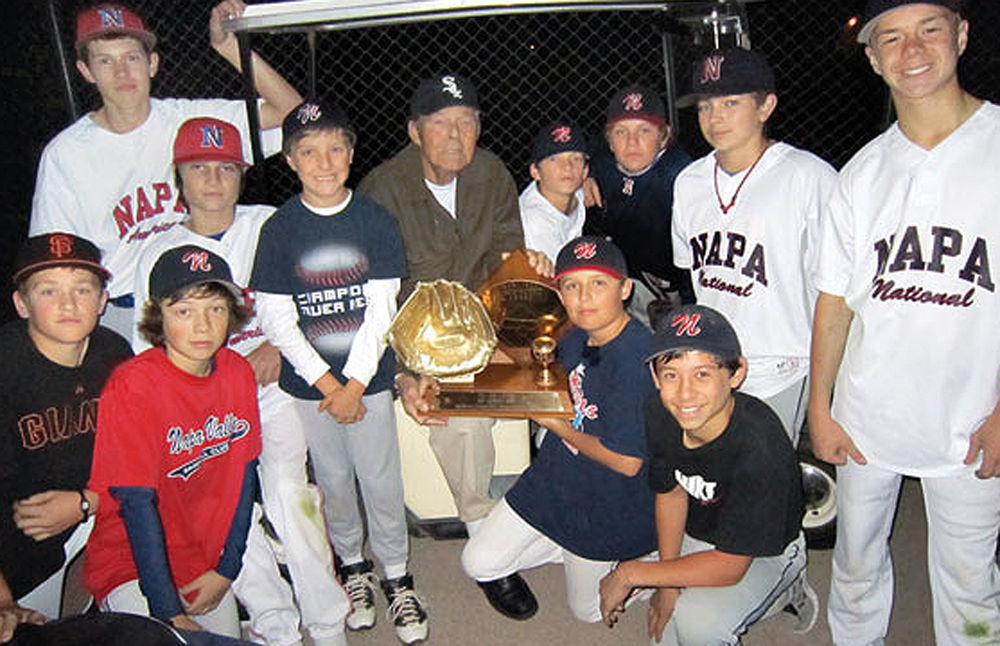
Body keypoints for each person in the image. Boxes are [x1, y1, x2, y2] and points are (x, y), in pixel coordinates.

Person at [809, 1, 1000, 643]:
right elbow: (834, 304)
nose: (911, 50)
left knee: (970, 582)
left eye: (929, 30)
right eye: (890, 37)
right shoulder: (861, 173)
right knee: (857, 566)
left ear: (962, 36)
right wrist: (820, 406)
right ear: (872, 57)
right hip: (869, 417)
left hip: (973, 417)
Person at [131, 117, 348, 646]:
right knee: (224, 509)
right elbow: (148, 348)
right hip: (202, 404)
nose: (212, 180)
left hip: (274, 390)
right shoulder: (155, 253)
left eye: (225, 168)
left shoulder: (275, 223)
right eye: (198, 168)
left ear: (242, 175)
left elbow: (327, 299)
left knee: (286, 491)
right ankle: (276, 624)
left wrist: (278, 345)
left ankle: (327, 621)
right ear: (178, 177)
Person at [250, 100, 426, 645]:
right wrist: (328, 386)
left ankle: (397, 575)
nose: (323, 162)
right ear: (291, 159)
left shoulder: (374, 220)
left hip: (367, 379)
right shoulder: (281, 228)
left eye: (334, 149)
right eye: (308, 151)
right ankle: (352, 567)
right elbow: (277, 317)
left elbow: (381, 310)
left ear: (350, 154)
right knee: (331, 480)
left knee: (380, 478)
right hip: (311, 387)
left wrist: (353, 384)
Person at [30, 1, 302, 337]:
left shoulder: (189, 122)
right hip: (123, 310)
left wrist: (228, 47)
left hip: (207, 299)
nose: (122, 72)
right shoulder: (66, 154)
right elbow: (56, 259)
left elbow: (296, 117)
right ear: (86, 71)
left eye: (131, 58)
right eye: (105, 61)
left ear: (152, 63)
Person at [359, 73, 551, 533]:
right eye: (441, 123)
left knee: (566, 354)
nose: (455, 135)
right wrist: (402, 371)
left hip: (480, 324)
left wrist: (525, 275)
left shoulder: (491, 174)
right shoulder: (381, 191)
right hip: (412, 340)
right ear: (414, 132)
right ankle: (482, 527)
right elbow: (372, 302)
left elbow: (504, 258)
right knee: (462, 420)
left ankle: (556, 491)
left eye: (466, 122)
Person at [461, 236, 656, 623]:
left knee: (588, 612)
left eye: (598, 283)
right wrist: (447, 379)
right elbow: (525, 366)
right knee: (477, 562)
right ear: (561, 296)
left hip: (609, 500)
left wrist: (557, 426)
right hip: (556, 480)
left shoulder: (637, 359)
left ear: (625, 288)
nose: (584, 297)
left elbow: (627, 462)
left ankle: (653, 562)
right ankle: (570, 551)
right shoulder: (577, 333)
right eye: (571, 285)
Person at [598, 304, 815, 644]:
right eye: (671, 375)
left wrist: (632, 573)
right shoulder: (659, 410)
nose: (685, 393)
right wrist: (667, 585)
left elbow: (730, 566)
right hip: (704, 527)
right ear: (655, 377)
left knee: (698, 622)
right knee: (667, 630)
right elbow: (670, 493)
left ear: (736, 374)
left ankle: (783, 591)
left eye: (703, 374)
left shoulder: (761, 445)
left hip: (764, 550)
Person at [84, 246, 260, 640]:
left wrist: (226, 569)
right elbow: (135, 502)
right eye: (184, 311)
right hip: (130, 561)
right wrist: (166, 610)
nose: (202, 326)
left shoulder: (237, 372)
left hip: (202, 560)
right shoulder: (133, 386)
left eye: (215, 309)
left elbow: (246, 475)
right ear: (158, 317)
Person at [671, 48, 836, 443]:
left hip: (783, 363)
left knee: (764, 484)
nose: (716, 117)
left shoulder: (807, 176)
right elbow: (693, 273)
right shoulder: (689, 182)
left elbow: (838, 286)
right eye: (706, 106)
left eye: (732, 102)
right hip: (715, 361)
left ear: (766, 107)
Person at [0, 234, 132, 642]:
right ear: (22, 304)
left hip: (91, 522)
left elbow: (146, 458)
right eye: (48, 290)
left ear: (103, 300)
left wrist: (85, 503)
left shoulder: (114, 353)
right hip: (16, 554)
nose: (69, 304)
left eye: (82, 288)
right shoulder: (6, 367)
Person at [584, 84, 693, 328]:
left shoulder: (681, 177)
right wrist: (585, 172)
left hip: (675, 285)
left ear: (664, 137)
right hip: (627, 277)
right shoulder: (602, 164)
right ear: (610, 141)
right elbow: (586, 145)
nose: (632, 142)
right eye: (621, 132)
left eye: (644, 131)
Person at [518, 121, 589, 262]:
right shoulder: (533, 223)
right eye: (554, 159)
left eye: (575, 158)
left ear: (585, 171)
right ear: (535, 172)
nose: (567, 167)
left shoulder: (577, 193)